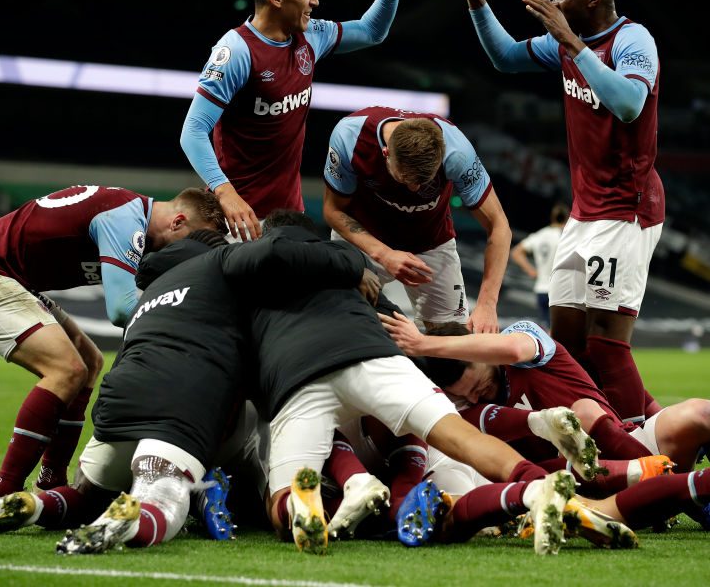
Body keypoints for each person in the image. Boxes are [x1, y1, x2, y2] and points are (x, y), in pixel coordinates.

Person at [0, 226, 377, 553]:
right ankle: (140, 520)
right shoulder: (224, 267)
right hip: (179, 400)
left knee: (87, 496)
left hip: (118, 400)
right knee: (165, 494)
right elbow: (275, 252)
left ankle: (35, 506)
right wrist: (352, 263)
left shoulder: (154, 289)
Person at [250, 211, 616, 556]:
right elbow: (394, 322)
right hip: (379, 359)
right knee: (464, 440)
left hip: (302, 374)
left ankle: (325, 496)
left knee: (280, 498)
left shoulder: (253, 276)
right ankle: (537, 487)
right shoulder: (349, 269)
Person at [458, 0, 663, 425]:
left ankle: (647, 458)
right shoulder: (564, 44)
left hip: (625, 209)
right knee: (566, 343)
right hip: (583, 211)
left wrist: (572, 44)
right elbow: (504, 57)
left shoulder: (632, 40)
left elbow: (630, 104)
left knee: (607, 347)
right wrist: (475, 0)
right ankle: (624, 431)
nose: (554, 1)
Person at [381, 313, 710, 533]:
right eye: (465, 396)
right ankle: (702, 495)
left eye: (475, 384)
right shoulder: (466, 411)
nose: (474, 396)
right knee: (574, 431)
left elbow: (515, 351)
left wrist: (426, 342)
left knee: (705, 413)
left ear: (478, 352)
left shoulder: (522, 336)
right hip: (581, 482)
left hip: (628, 444)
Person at [0, 185, 225, 501]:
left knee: (89, 362)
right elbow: (121, 309)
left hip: (11, 279)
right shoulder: (125, 221)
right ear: (177, 222)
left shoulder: (134, 219)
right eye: (191, 239)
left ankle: (51, 481)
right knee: (66, 368)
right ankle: (2, 494)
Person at [181, 0, 404, 241]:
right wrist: (226, 193)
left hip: (289, 213)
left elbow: (372, 31)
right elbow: (193, 131)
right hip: (240, 215)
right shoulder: (236, 51)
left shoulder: (311, 35)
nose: (315, 2)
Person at [322, 107, 511, 333]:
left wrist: (487, 305)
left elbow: (499, 226)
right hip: (366, 237)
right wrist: (384, 254)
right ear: (385, 153)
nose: (414, 189)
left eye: (424, 182)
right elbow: (333, 210)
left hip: (430, 241)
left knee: (452, 340)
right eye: (405, 179)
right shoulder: (350, 136)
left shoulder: (457, 151)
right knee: (338, 320)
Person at [511, 203, 569, 328]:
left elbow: (516, 252)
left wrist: (531, 270)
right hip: (561, 291)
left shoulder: (540, 235)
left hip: (542, 289)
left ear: (552, 217)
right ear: (567, 218)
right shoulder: (567, 236)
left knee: (549, 328)